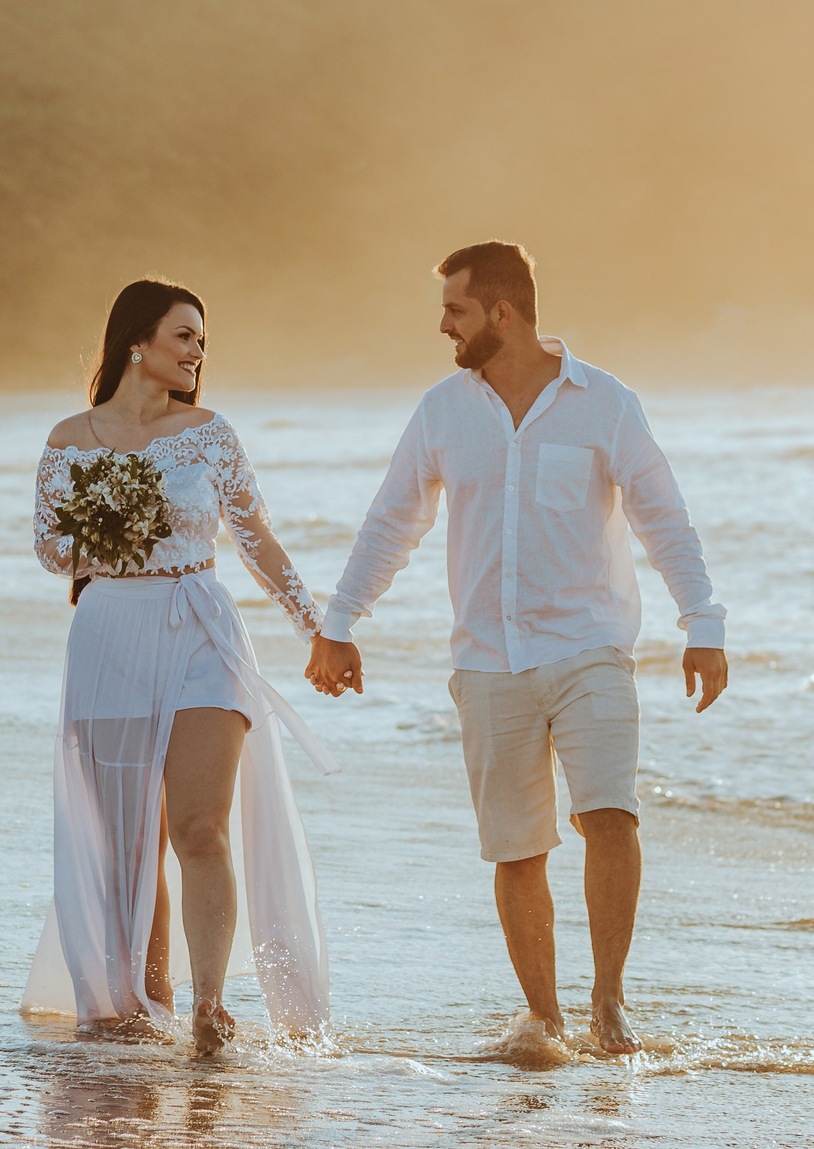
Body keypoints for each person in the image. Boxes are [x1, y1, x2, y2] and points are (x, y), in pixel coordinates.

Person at [305, 241, 727, 1057]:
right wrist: (341, 620)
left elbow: (662, 516)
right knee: (516, 844)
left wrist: (700, 622)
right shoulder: (442, 410)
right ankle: (546, 1018)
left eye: (455, 309)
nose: (442, 325)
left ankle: (608, 1006)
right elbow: (394, 519)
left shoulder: (605, 402)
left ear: (502, 310)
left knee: (609, 811)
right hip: (488, 658)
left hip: (589, 645)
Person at [23, 279, 336, 1055]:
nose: (198, 352)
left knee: (199, 828)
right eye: (184, 336)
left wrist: (317, 626)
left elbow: (254, 537)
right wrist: (114, 529)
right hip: (108, 633)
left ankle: (210, 1003)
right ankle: (142, 999)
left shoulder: (210, 433)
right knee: (128, 842)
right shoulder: (70, 438)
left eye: (202, 340)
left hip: (200, 625)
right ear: (139, 341)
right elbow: (50, 549)